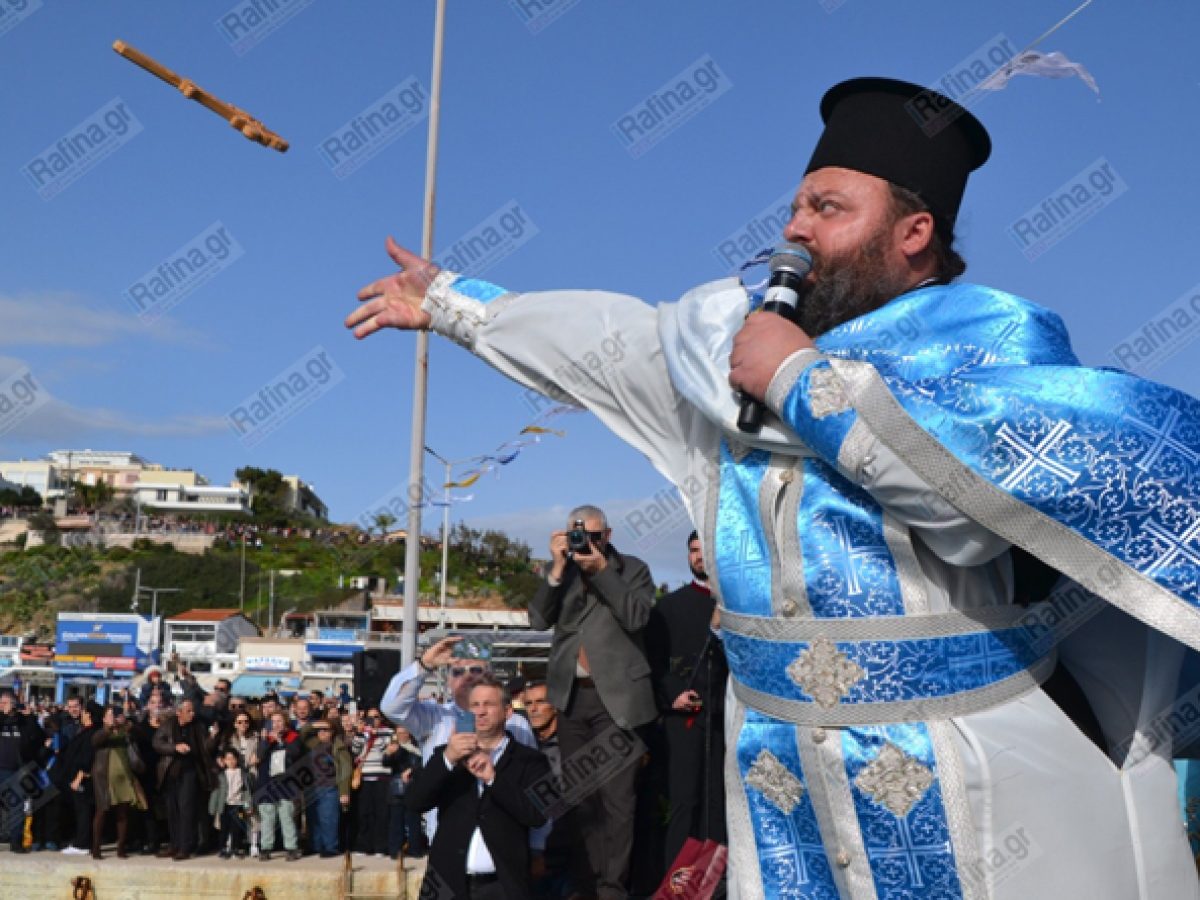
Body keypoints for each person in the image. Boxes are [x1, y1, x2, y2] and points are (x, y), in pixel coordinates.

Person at [346, 76, 1200, 898]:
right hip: (779, 770)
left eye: (827, 209)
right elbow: (608, 340)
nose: (794, 231)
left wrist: (798, 379)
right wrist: (459, 306)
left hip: (971, 763)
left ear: (913, 233)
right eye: (795, 206)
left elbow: (967, 512)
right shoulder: (724, 360)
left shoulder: (993, 348)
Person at [527, 506, 657, 900]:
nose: (587, 543)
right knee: (581, 800)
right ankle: (585, 886)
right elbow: (536, 620)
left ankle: (613, 889)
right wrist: (554, 570)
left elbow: (636, 617)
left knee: (618, 802)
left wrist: (601, 569)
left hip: (618, 700)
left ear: (608, 535)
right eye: (579, 535)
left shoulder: (632, 569)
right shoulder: (560, 574)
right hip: (571, 700)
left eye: (595, 536)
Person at [379, 635, 537, 842]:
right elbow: (391, 707)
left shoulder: (515, 723)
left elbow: (534, 786)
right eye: (458, 672)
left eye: (476, 670)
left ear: (489, 676)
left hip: (506, 840)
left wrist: (537, 845)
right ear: (448, 680)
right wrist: (424, 665)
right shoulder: (434, 717)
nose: (467, 676)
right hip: (448, 839)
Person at [407, 676, 552, 900]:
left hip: (502, 886)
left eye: (489, 705)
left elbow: (537, 815)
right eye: (475, 705)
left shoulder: (529, 760)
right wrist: (448, 759)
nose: (481, 712)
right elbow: (416, 801)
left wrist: (493, 779)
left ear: (507, 711)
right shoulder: (447, 754)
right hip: (448, 883)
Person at [646, 530, 728, 867]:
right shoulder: (668, 607)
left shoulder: (738, 605)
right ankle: (677, 883)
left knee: (720, 803)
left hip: (727, 717)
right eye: (693, 550)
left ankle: (717, 881)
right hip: (685, 719)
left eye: (704, 550)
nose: (698, 557)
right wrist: (674, 694)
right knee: (684, 801)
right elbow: (654, 660)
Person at [153, 699, 215, 861]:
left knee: (186, 810)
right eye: (189, 711)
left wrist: (212, 737)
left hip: (190, 772)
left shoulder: (198, 726)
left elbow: (205, 748)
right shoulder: (168, 725)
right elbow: (157, 743)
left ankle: (185, 847)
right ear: (179, 712)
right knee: (172, 810)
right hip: (170, 772)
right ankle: (174, 844)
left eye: (193, 711)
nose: (192, 714)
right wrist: (174, 748)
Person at [90, 705, 148, 859]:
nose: (113, 718)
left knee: (123, 813)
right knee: (102, 811)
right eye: (110, 715)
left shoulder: (125, 732)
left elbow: (143, 736)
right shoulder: (101, 733)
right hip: (105, 777)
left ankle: (121, 847)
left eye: (115, 715)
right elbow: (96, 741)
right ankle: (96, 847)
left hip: (124, 776)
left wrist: (128, 725)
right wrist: (109, 728)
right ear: (104, 718)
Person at [253, 710, 304, 861]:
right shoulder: (265, 739)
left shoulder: (293, 737)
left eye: (279, 721)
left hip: (286, 784)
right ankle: (266, 848)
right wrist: (267, 741)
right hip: (267, 783)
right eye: (273, 722)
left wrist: (281, 741)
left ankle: (291, 847)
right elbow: (259, 756)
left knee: (286, 815)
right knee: (267, 817)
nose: (276, 724)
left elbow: (295, 753)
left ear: (286, 723)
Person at [0, 688, 45, 853]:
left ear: (13, 703)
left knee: (17, 808)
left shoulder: (24, 721)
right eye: (1, 702)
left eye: (6, 702)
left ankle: (16, 842)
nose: (2, 705)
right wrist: (4, 714)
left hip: (19, 770)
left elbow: (39, 737)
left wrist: (30, 717)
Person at [350, 707, 395, 857]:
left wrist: (375, 735)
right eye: (370, 717)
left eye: (376, 717)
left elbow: (388, 750)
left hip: (382, 777)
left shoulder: (388, 732)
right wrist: (360, 734)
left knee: (381, 813)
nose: (373, 720)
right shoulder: (363, 732)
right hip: (364, 777)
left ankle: (380, 847)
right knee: (364, 813)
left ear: (381, 718)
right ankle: (363, 845)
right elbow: (355, 751)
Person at [57, 701, 101, 856]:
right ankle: (79, 840)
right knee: (79, 810)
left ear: (89, 714)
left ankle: (82, 844)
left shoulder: (92, 733)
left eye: (84, 712)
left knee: (84, 810)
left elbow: (87, 758)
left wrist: (78, 778)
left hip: (82, 779)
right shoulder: (85, 730)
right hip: (74, 776)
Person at [304, 718, 351, 858]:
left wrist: (344, 792)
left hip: (330, 788)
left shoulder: (339, 747)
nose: (322, 732)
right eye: (320, 730)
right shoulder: (311, 744)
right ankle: (314, 845)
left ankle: (331, 847)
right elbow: (303, 732)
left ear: (333, 731)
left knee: (329, 819)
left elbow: (345, 770)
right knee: (313, 819)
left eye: (326, 730)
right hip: (312, 788)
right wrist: (316, 724)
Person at [382, 725, 425, 859]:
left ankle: (415, 849)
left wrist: (411, 769)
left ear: (409, 734)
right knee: (396, 821)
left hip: (413, 788)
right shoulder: (394, 748)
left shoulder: (416, 748)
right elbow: (386, 762)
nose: (401, 735)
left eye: (404, 733)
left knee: (414, 821)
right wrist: (388, 753)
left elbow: (421, 763)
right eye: (398, 733)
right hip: (397, 789)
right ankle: (395, 850)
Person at [209, 748, 252, 859]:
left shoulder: (243, 774)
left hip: (239, 805)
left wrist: (248, 806)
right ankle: (223, 848)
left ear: (237, 759)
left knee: (238, 827)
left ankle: (236, 848)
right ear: (224, 761)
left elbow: (246, 791)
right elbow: (216, 792)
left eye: (233, 758)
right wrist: (213, 808)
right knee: (224, 828)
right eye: (228, 759)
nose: (231, 761)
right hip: (225, 806)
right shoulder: (221, 775)